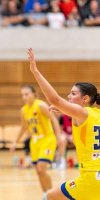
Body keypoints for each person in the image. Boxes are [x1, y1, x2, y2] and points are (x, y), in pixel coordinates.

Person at [28, 48, 100, 200]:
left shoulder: (83, 113)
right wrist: (65, 111)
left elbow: (55, 100)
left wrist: (35, 71)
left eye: (73, 94)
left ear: (86, 99)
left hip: (92, 178)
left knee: (50, 196)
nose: (68, 96)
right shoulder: (92, 114)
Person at [10, 84, 61, 195]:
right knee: (38, 171)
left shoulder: (41, 105)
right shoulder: (23, 110)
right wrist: (15, 142)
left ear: (34, 94)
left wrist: (59, 137)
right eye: (22, 95)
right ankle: (45, 194)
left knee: (42, 169)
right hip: (35, 142)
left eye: (26, 94)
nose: (24, 97)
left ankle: (51, 194)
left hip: (47, 139)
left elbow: (54, 119)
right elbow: (23, 127)